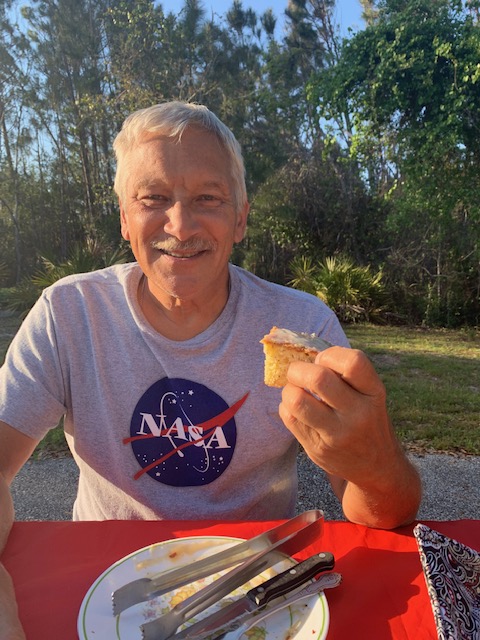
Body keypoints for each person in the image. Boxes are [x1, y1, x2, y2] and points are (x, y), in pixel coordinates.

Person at [0, 101, 421, 638]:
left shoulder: (302, 326)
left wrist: (377, 463)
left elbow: (381, 515)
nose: (180, 225)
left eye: (208, 198)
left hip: (257, 582)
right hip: (108, 588)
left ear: (240, 217)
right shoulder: (68, 313)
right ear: (125, 218)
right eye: (153, 198)